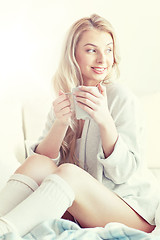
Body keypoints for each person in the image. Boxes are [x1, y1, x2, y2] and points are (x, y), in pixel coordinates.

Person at [0, 14, 159, 237]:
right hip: (86, 210)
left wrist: (105, 121)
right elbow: (42, 164)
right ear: (73, 54)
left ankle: (7, 231)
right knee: (38, 163)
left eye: (108, 50)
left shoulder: (121, 98)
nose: (103, 59)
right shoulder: (66, 98)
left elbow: (124, 173)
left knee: (69, 173)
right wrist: (60, 123)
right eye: (92, 50)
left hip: (133, 211)